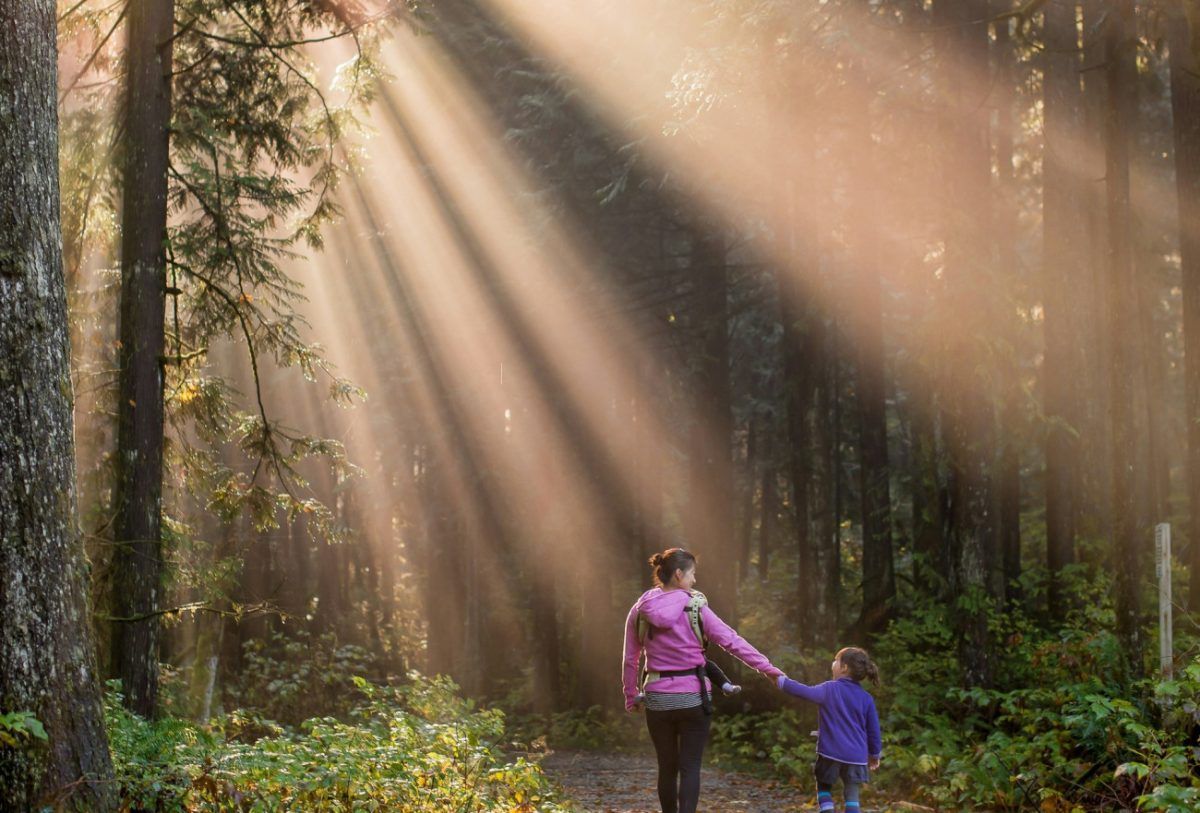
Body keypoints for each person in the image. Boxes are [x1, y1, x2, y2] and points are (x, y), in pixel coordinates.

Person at [622, 548, 783, 813]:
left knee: (667, 767)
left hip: (658, 699)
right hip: (693, 699)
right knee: (690, 767)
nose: (694, 580)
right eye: (692, 574)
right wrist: (769, 670)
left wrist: (631, 696)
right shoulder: (696, 607)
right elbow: (733, 642)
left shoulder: (640, 610)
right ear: (678, 574)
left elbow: (631, 658)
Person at [776, 647, 882, 813]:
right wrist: (874, 755)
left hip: (831, 753)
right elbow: (874, 731)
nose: (833, 664)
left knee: (823, 786)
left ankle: (827, 810)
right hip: (856, 757)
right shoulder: (866, 698)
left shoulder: (829, 689)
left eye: (836, 661)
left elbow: (805, 692)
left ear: (844, 668)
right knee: (852, 795)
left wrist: (782, 681)